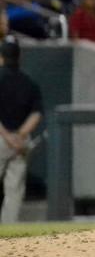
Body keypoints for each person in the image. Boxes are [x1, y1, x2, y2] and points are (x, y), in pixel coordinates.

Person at [0, 36, 43, 223]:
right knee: (14, 191)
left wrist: (8, 137)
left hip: (2, 139)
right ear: (19, 57)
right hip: (20, 143)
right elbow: (36, 114)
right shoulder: (29, 82)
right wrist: (20, 135)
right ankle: (8, 236)